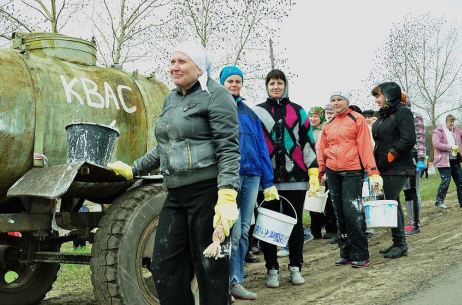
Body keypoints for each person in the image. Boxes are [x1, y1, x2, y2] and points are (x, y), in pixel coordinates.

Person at [107, 42, 240, 305]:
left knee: (210, 269)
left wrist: (227, 194)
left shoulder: (217, 95)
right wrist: (133, 169)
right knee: (164, 267)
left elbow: (228, 148)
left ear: (200, 67)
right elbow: (164, 147)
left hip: (207, 192)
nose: (174, 67)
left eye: (182, 62)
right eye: (172, 62)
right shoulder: (172, 98)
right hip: (176, 193)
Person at [253, 69, 320, 287]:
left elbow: (308, 143)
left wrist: (313, 171)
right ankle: (272, 268)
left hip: (296, 178)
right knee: (268, 225)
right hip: (269, 180)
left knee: (295, 223)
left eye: (279, 83)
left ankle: (295, 267)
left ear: (285, 85)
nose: (276, 87)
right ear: (267, 86)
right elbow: (254, 145)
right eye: (272, 83)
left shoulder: (298, 111)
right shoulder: (257, 112)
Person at [219, 65, 279, 301]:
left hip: (252, 176)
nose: (234, 85)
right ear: (222, 83)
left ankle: (236, 282)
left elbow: (262, 149)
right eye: (230, 81)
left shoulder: (250, 113)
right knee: (228, 231)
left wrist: (268, 180)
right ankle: (221, 283)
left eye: (238, 81)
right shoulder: (216, 108)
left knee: (244, 231)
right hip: (229, 176)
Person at [317, 92, 382, 268]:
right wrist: (320, 171)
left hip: (352, 170)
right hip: (332, 171)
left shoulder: (357, 119)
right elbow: (322, 148)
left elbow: (365, 146)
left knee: (352, 211)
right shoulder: (328, 124)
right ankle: (344, 251)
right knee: (339, 213)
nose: (336, 103)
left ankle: (360, 253)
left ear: (347, 101)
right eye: (333, 100)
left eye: (339, 100)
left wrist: (373, 171)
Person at [371, 82, 416, 259]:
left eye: (378, 96)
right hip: (382, 166)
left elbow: (408, 137)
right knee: (393, 204)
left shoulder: (402, 112)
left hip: (397, 167)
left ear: (389, 95)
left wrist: (392, 153)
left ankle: (400, 243)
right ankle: (398, 242)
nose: (376, 100)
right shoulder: (383, 115)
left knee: (389, 203)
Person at [307, 106, 337, 241]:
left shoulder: (325, 129)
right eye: (311, 116)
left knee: (328, 200)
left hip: (325, 167)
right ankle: (316, 229)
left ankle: (331, 227)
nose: (313, 119)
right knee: (312, 198)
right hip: (310, 168)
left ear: (321, 118)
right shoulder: (306, 130)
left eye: (316, 116)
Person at [400, 92, 426, 236]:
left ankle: (415, 224)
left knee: (413, 190)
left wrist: (421, 158)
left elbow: (421, 138)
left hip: (413, 156)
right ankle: (411, 222)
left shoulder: (415, 116)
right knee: (406, 192)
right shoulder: (394, 117)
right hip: (399, 159)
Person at [432, 114, 462, 209]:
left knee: (460, 181)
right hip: (443, 160)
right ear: (445, 122)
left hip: (454, 160)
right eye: (450, 121)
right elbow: (436, 144)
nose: (452, 123)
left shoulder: (456, 130)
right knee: (446, 181)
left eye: (453, 121)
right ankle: (439, 201)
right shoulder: (438, 132)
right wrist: (450, 147)